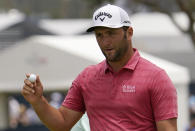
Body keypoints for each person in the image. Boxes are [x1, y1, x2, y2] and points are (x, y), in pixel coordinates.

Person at [22, 4, 177, 131]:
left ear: (129, 33)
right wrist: (38, 101)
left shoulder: (156, 78)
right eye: (99, 35)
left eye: (111, 33)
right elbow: (61, 124)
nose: (105, 42)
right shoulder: (87, 77)